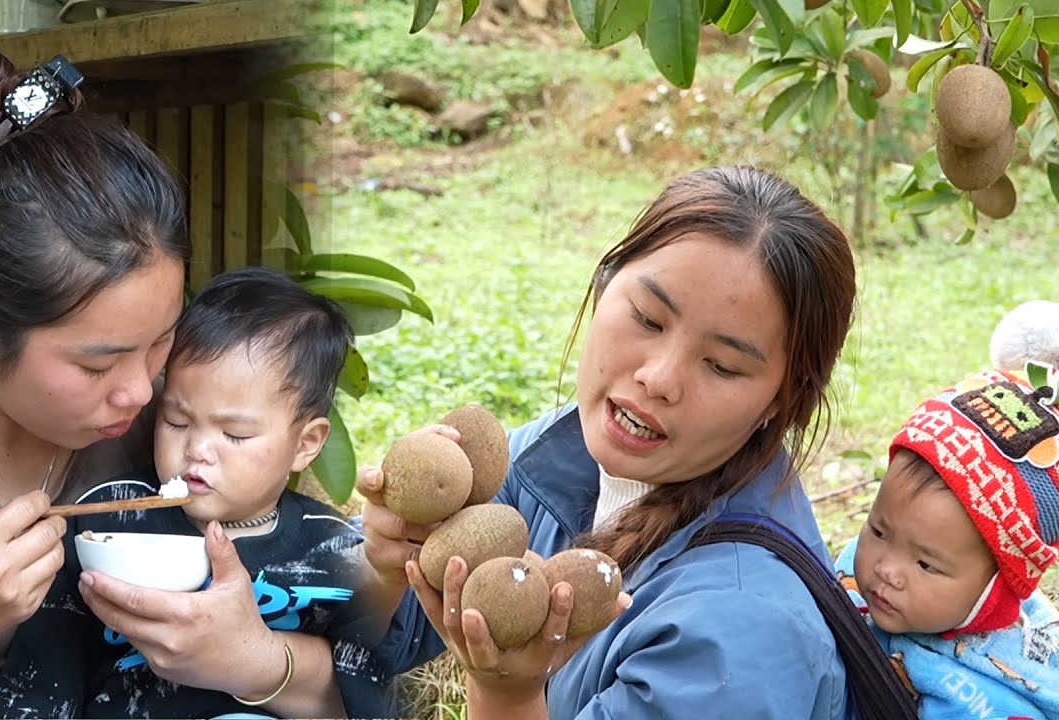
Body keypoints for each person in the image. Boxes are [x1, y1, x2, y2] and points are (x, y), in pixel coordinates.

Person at [0, 50, 339, 719]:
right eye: (97, 366)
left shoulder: (180, 426)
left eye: (160, 340)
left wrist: (253, 660)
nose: (139, 392)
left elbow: (335, 667)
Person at [358, 166, 859, 719]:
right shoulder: (558, 453)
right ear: (604, 285)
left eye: (721, 365)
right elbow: (384, 639)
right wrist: (384, 567)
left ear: (780, 405)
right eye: (647, 318)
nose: (659, 379)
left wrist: (506, 695)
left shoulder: (744, 637)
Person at [0, 267, 385, 719]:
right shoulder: (105, 523)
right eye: (176, 421)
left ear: (306, 444)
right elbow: (38, 683)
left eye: (234, 433)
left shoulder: (335, 553)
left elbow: (371, 688)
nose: (196, 450)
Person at [834, 365, 1059, 719]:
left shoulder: (979, 701)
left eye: (925, 564)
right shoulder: (852, 571)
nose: (886, 569)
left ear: (994, 589)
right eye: (879, 531)